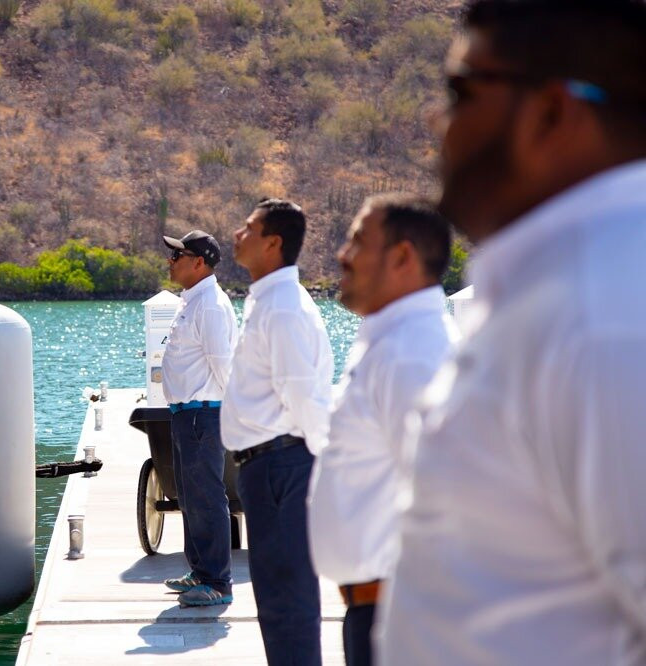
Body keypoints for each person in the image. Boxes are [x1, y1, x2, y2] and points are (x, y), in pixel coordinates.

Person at [378, 1, 646, 664]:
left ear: (553, 112)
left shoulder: (606, 320)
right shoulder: (571, 292)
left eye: (461, 91)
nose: (435, 118)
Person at [307, 194, 458, 666]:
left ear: (402, 257)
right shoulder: (396, 343)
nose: (341, 254)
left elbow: (448, 503)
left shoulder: (412, 354)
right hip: (382, 610)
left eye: (356, 241)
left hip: (403, 618)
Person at [221, 198, 334, 666]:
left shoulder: (284, 307)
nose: (237, 234)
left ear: (273, 242)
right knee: (277, 600)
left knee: (288, 599)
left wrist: (324, 469)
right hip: (269, 464)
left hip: (282, 462)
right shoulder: (269, 300)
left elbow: (302, 395)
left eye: (248, 228)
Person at [159, 229, 239, 607]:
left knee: (207, 497)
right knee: (190, 498)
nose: (171, 261)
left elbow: (222, 363)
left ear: (199, 263)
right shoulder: (193, 299)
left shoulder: (209, 304)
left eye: (178, 255)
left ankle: (218, 583)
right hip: (185, 415)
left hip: (202, 416)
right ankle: (200, 572)